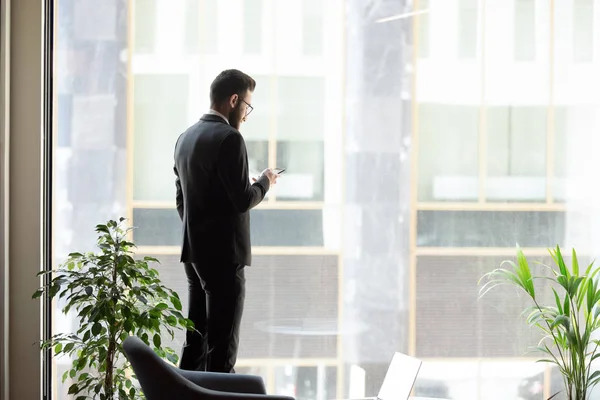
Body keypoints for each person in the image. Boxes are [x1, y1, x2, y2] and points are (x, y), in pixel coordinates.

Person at [173, 69, 280, 372]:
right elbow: (244, 199)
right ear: (234, 100)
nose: (246, 114)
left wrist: (200, 228)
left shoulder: (186, 138)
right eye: (247, 106)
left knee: (195, 339)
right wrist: (265, 182)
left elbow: (182, 200)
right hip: (224, 257)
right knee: (222, 347)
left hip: (193, 254)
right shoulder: (230, 139)